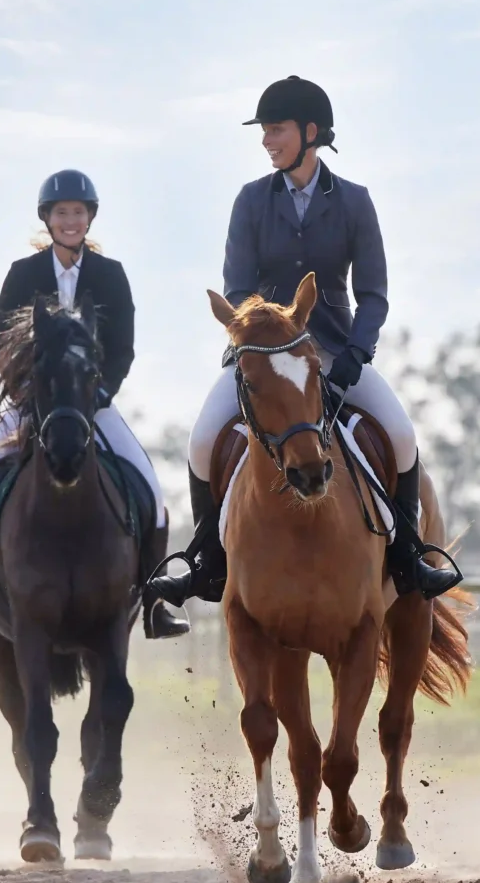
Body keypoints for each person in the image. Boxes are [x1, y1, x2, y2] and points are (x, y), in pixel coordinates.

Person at [146, 75, 462, 607]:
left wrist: (356, 356)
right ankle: (206, 561)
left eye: (277, 130)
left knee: (403, 438)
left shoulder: (355, 202)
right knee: (202, 441)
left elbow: (374, 295)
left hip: (337, 354)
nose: (267, 141)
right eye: (265, 132)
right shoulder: (250, 202)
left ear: (310, 132)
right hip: (265, 360)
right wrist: (260, 343)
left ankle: (407, 558)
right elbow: (238, 288)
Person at [0, 171, 190, 641]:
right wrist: (26, 395)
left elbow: (122, 350)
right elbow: (0, 344)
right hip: (30, 404)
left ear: (90, 219)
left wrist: (98, 395)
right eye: (61, 212)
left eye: (78, 213)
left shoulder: (110, 276)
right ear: (47, 218)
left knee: (152, 494)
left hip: (94, 405)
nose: (70, 221)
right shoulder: (24, 274)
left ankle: (154, 604)